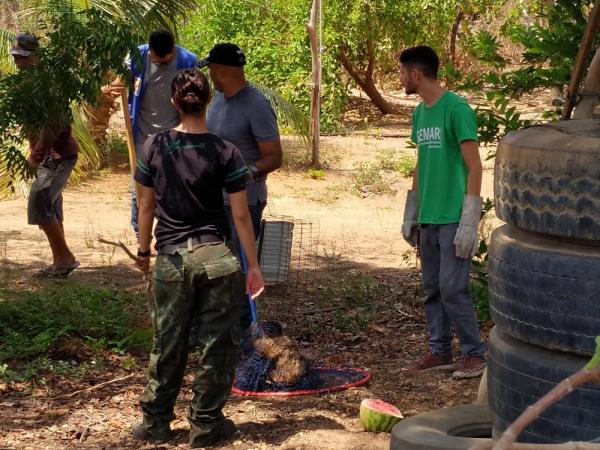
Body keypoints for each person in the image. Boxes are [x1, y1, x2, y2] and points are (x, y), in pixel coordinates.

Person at [132, 69, 265, 447]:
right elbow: (240, 217)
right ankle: (205, 426)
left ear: (175, 101)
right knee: (217, 345)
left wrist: (144, 252)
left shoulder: (154, 147)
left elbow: (146, 206)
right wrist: (253, 267)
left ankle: (156, 424)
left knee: (168, 343)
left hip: (172, 259)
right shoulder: (226, 151)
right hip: (217, 260)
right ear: (208, 101)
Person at [400, 45, 486, 379]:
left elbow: (475, 167)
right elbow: (422, 161)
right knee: (432, 288)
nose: (402, 78)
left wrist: (469, 220)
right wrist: (412, 210)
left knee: (453, 289)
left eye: (403, 72)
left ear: (416, 74)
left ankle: (475, 353)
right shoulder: (420, 113)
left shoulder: (457, 109)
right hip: (429, 217)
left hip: (453, 216)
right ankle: (439, 350)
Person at [199, 42, 282, 332]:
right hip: (213, 199)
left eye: (210, 70)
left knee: (241, 265)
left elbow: (274, 155)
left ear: (220, 71)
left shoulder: (256, 105)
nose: (209, 76)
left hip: (245, 200)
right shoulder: (217, 101)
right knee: (214, 264)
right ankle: (217, 323)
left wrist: (245, 173)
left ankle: (245, 328)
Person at [103, 29, 197, 237]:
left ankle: (169, 233)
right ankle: (141, 234)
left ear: (173, 49)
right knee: (140, 189)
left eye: (166, 59)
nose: (161, 62)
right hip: (142, 135)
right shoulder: (136, 57)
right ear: (150, 50)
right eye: (157, 58)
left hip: (176, 137)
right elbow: (119, 83)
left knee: (173, 187)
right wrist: (112, 89)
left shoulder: (188, 60)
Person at [11, 32, 80, 277]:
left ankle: (66, 258)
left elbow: (52, 125)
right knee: (49, 207)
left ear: (37, 56)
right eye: (17, 57)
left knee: (39, 204)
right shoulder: (26, 85)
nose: (21, 63)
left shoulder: (49, 85)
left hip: (58, 156)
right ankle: (60, 263)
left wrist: (36, 156)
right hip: (49, 156)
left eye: (25, 58)